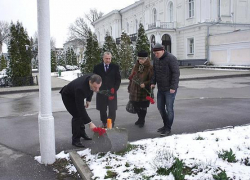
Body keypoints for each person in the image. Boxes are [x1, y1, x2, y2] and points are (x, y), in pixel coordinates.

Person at [59, 74, 101, 147]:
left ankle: (82, 133)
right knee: (77, 116)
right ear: (90, 82)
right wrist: (90, 123)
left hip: (76, 94)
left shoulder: (93, 79)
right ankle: (75, 140)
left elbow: (91, 89)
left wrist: (88, 100)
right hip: (68, 96)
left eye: (98, 87)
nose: (97, 90)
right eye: (95, 87)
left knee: (80, 115)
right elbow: (80, 108)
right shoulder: (80, 88)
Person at [151, 43, 180, 136]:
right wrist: (153, 82)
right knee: (160, 107)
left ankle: (168, 128)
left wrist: (173, 87)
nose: (156, 55)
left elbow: (176, 73)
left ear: (163, 50)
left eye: (157, 53)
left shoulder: (171, 58)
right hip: (161, 88)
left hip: (170, 90)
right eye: (154, 53)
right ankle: (165, 125)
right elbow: (155, 72)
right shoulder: (156, 59)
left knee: (169, 109)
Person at [93, 52, 121, 128]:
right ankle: (104, 122)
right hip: (101, 91)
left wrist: (114, 89)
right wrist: (97, 88)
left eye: (109, 58)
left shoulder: (115, 67)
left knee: (112, 108)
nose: (108, 60)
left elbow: (118, 79)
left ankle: (111, 122)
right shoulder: (97, 67)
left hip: (112, 91)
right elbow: (94, 79)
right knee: (102, 108)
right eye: (106, 58)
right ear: (103, 58)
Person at [128, 50, 153, 128]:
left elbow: (152, 80)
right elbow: (132, 77)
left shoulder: (150, 68)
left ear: (146, 59)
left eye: (142, 59)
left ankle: (142, 120)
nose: (140, 60)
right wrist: (129, 87)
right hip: (134, 90)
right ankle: (139, 118)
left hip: (144, 91)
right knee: (135, 105)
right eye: (139, 59)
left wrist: (145, 84)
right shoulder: (136, 66)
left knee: (143, 106)